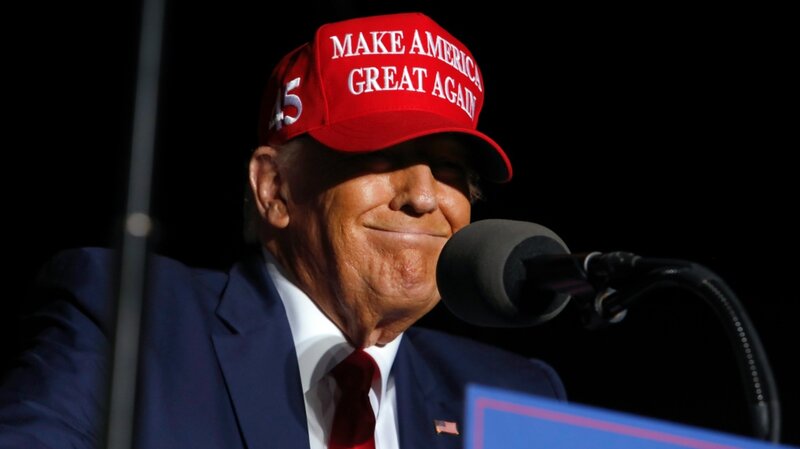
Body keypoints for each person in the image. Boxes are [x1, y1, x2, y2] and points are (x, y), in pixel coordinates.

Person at [0, 12, 565, 449]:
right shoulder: (131, 320)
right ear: (274, 188)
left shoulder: (513, 396)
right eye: (381, 156)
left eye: (450, 170)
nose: (423, 196)